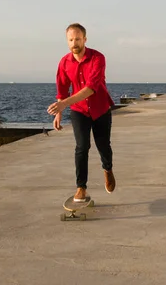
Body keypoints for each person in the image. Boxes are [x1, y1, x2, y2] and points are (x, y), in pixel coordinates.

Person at [47, 23, 116, 202]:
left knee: (103, 146)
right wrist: (59, 113)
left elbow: (91, 88)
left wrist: (64, 104)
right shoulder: (64, 62)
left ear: (84, 39)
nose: (74, 42)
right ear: (67, 41)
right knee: (81, 147)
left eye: (78, 39)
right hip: (79, 111)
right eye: (71, 39)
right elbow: (62, 89)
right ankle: (81, 187)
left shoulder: (98, 58)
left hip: (100, 108)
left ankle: (107, 169)